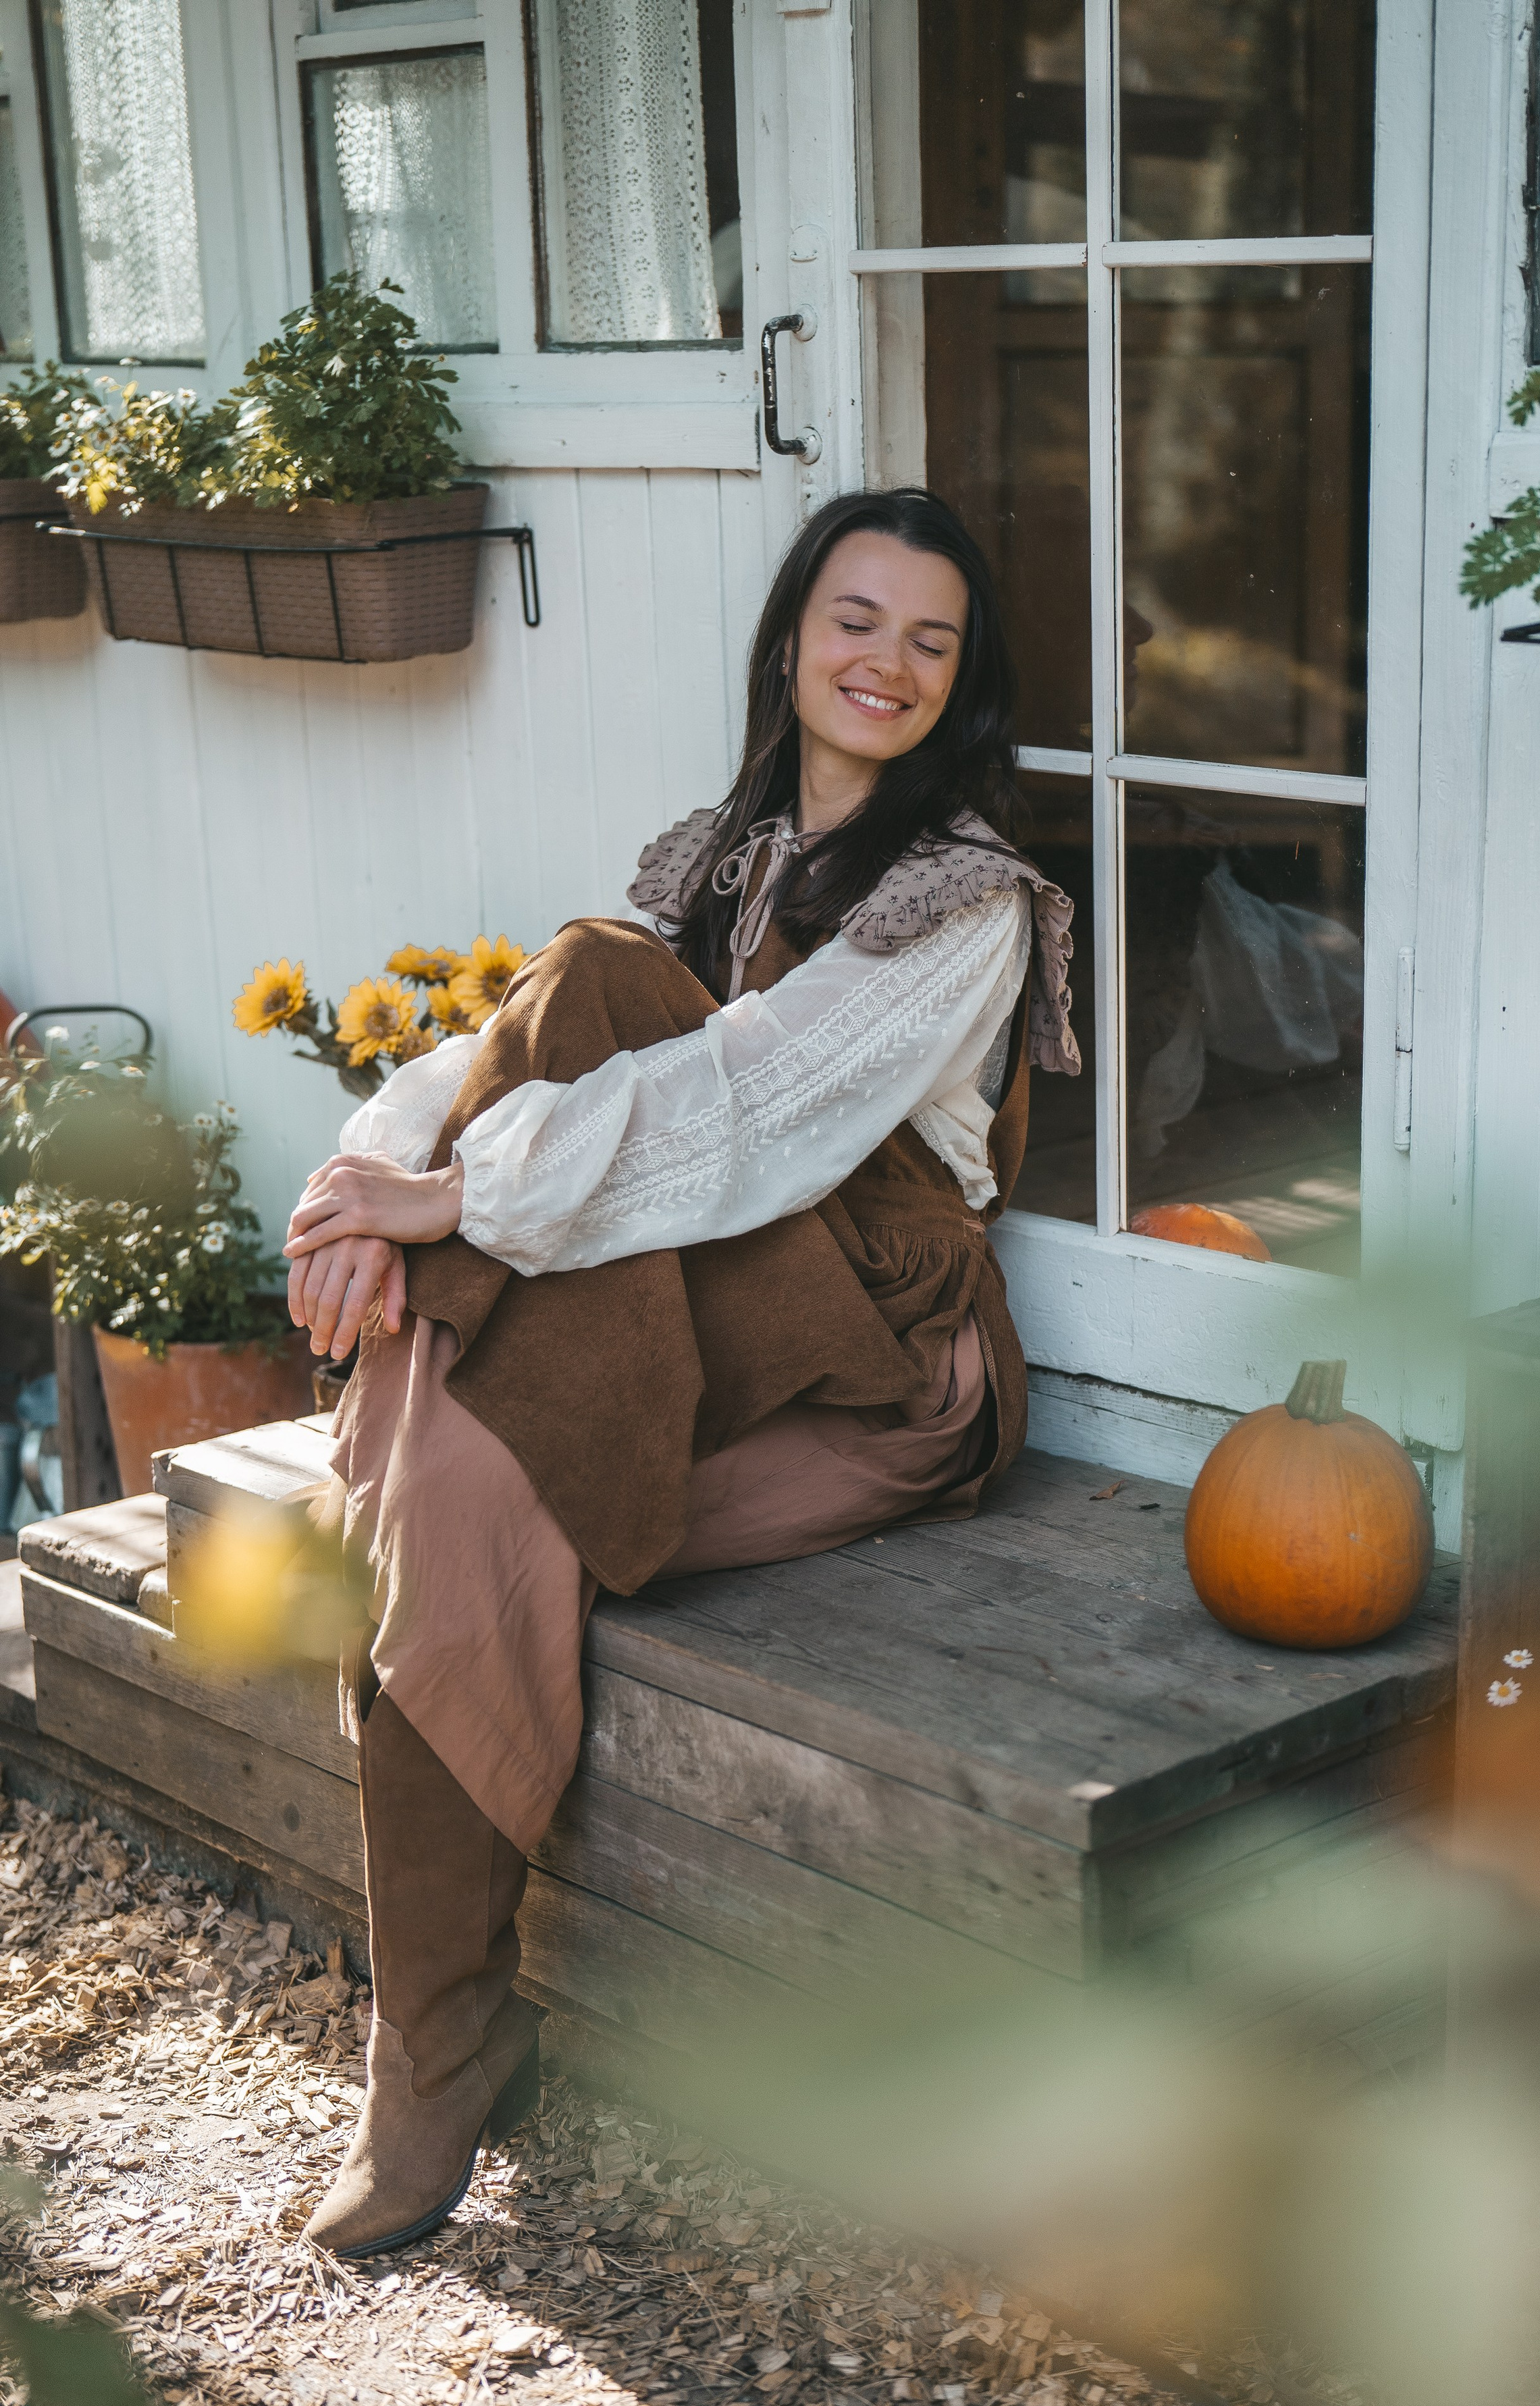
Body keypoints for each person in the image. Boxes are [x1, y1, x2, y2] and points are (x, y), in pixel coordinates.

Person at [280, 487, 1080, 2259]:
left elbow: (749, 1115)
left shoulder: (970, 906)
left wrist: (443, 1206)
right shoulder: (710, 854)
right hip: (690, 1297)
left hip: (878, 1349)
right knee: (579, 1012)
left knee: (574, 1052)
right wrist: (365, 1183)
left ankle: (438, 2055)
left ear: (964, 688)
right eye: (856, 620)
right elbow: (514, 1067)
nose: (886, 662)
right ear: (791, 636)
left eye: (930, 642)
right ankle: (436, 2042)